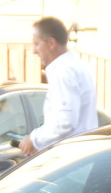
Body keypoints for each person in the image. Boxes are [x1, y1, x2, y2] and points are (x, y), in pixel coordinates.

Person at [19, 17, 98, 156]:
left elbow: (66, 121)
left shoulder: (63, 71)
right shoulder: (77, 66)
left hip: (70, 160)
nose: (34, 51)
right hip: (82, 154)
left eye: (36, 43)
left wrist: (34, 139)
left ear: (51, 43)